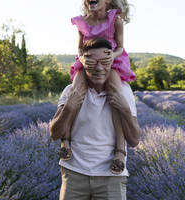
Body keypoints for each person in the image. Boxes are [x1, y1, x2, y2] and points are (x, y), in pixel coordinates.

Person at [59, 0, 135, 175]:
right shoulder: (82, 22)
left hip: (113, 63)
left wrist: (112, 56)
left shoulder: (115, 20)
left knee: (117, 98)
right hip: (87, 63)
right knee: (75, 94)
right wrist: (82, 58)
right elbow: (79, 46)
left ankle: (120, 152)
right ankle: (65, 141)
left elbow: (120, 47)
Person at [49, 37, 140, 200]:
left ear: (112, 62)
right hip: (74, 173)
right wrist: (69, 108)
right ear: (83, 63)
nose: (99, 68)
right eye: (92, 62)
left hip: (112, 175)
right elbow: (54, 133)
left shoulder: (124, 92)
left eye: (104, 62)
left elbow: (134, 140)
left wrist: (125, 110)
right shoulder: (70, 90)